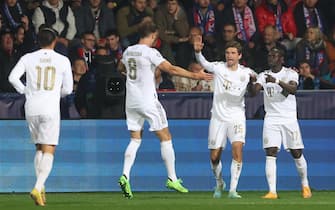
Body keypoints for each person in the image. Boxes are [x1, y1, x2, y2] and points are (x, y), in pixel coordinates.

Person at [118, 21, 212, 199]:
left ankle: (125, 175)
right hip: (148, 101)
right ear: (153, 35)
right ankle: (172, 178)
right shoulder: (151, 52)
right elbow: (171, 69)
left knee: (135, 139)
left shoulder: (128, 51)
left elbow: (121, 68)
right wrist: (195, 75)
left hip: (131, 101)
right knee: (166, 137)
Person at [8, 27, 73, 206]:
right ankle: (38, 186)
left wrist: (26, 91)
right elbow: (68, 89)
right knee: (49, 148)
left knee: (39, 147)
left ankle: (41, 187)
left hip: (31, 106)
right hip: (50, 107)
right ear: (55, 41)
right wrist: (53, 93)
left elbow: (12, 78)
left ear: (38, 40)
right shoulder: (62, 60)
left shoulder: (28, 58)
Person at [194, 38, 257, 199]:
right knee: (214, 156)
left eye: (233, 53)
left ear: (239, 56)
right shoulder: (219, 68)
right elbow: (205, 63)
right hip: (218, 117)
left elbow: (261, 79)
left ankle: (233, 190)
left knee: (237, 150)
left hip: (236, 117)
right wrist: (197, 51)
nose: (230, 55)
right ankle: (219, 182)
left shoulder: (246, 73)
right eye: (228, 52)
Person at [250, 47, 312, 199]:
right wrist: (252, 83)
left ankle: (305, 185)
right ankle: (272, 191)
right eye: (269, 55)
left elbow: (292, 90)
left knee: (296, 153)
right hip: (271, 118)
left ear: (282, 59)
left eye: (274, 55)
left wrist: (276, 81)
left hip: (289, 118)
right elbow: (253, 93)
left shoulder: (290, 73)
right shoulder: (263, 74)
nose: (271, 57)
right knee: (270, 152)